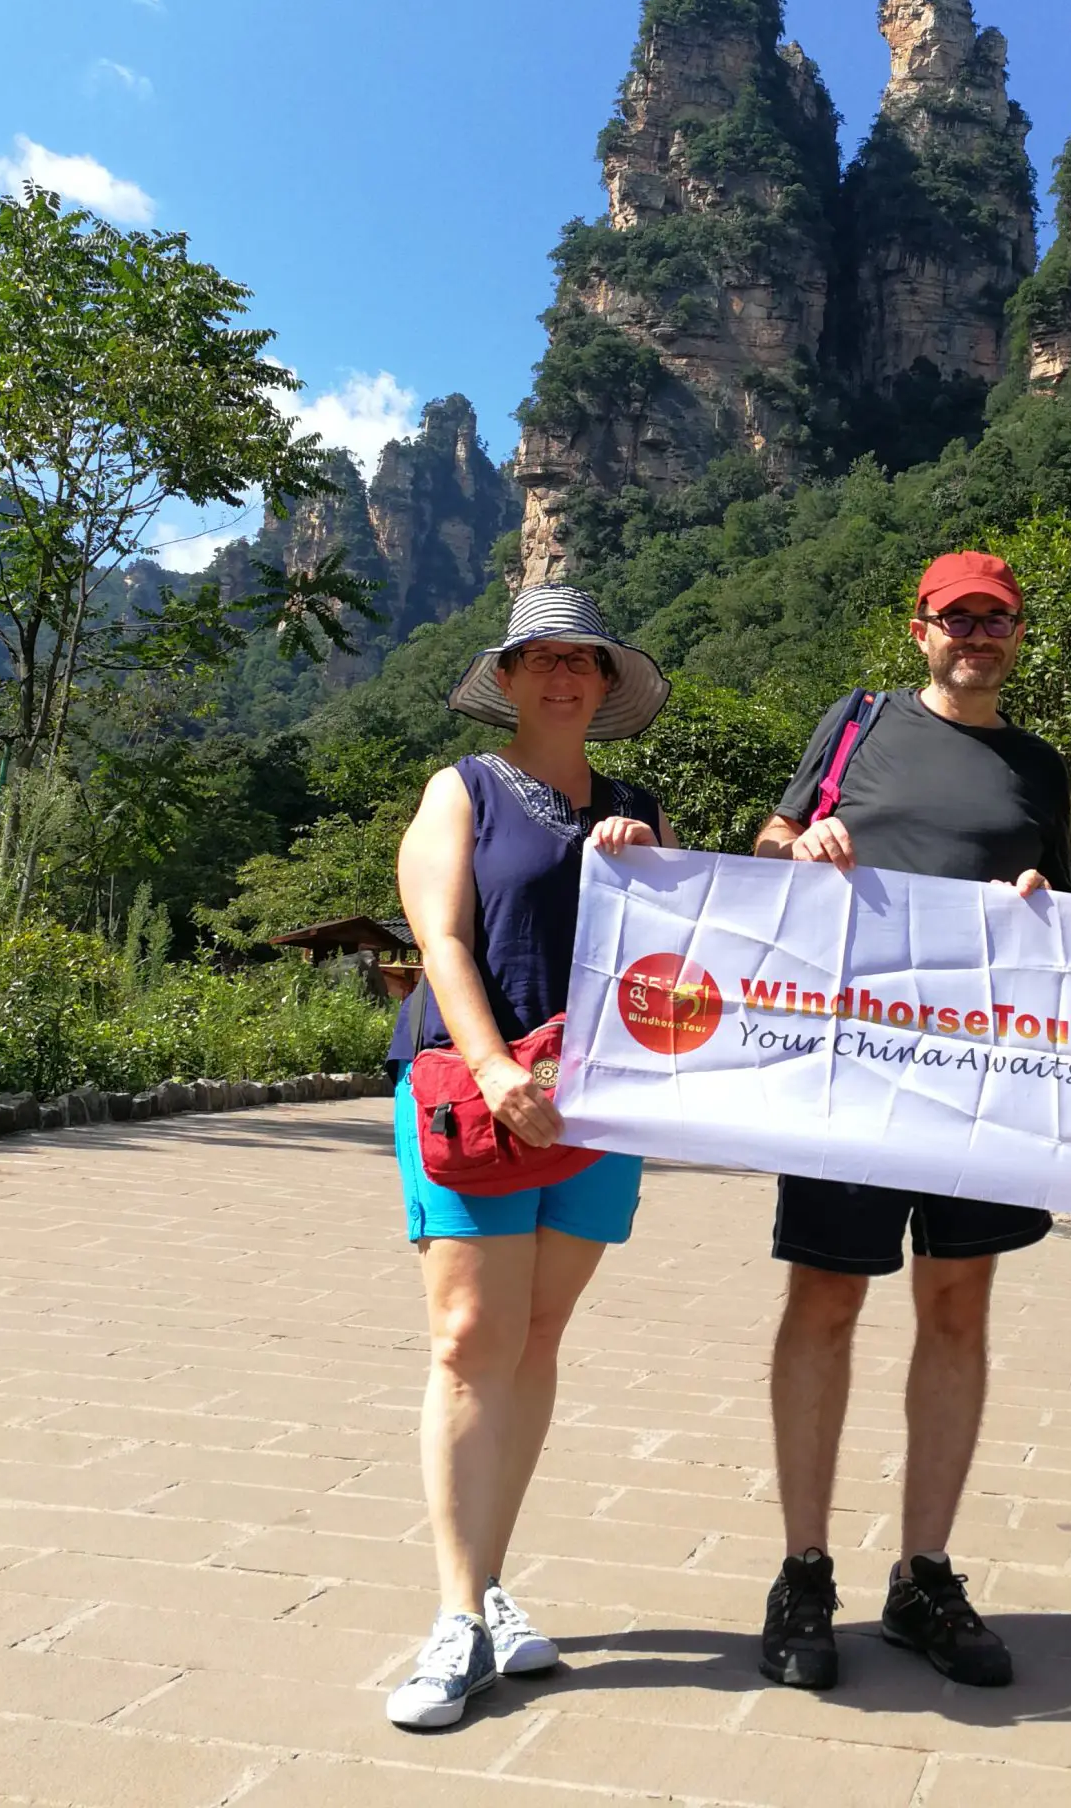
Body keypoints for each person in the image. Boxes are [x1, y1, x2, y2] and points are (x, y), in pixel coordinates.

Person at [749, 550, 1071, 1693]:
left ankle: (923, 1574)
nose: (978, 634)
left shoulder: (1039, 768)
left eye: (999, 618)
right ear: (918, 628)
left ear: (1019, 635)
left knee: (956, 1304)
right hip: (849, 1067)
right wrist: (809, 842)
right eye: (957, 617)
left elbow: (1066, 930)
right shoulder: (859, 724)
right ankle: (803, 1570)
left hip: (978, 1079)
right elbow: (768, 853)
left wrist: (1048, 902)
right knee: (826, 1300)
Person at [382, 586, 678, 1732]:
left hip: (600, 1098)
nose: (561, 677)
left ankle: (489, 1583)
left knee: (538, 1336)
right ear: (505, 679)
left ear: (606, 686)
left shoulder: (637, 806)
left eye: (582, 661)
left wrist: (650, 865)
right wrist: (496, 1063)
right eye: (539, 659)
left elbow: (678, 960)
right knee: (469, 1342)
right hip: (472, 1088)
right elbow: (440, 935)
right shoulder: (459, 790)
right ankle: (457, 1616)